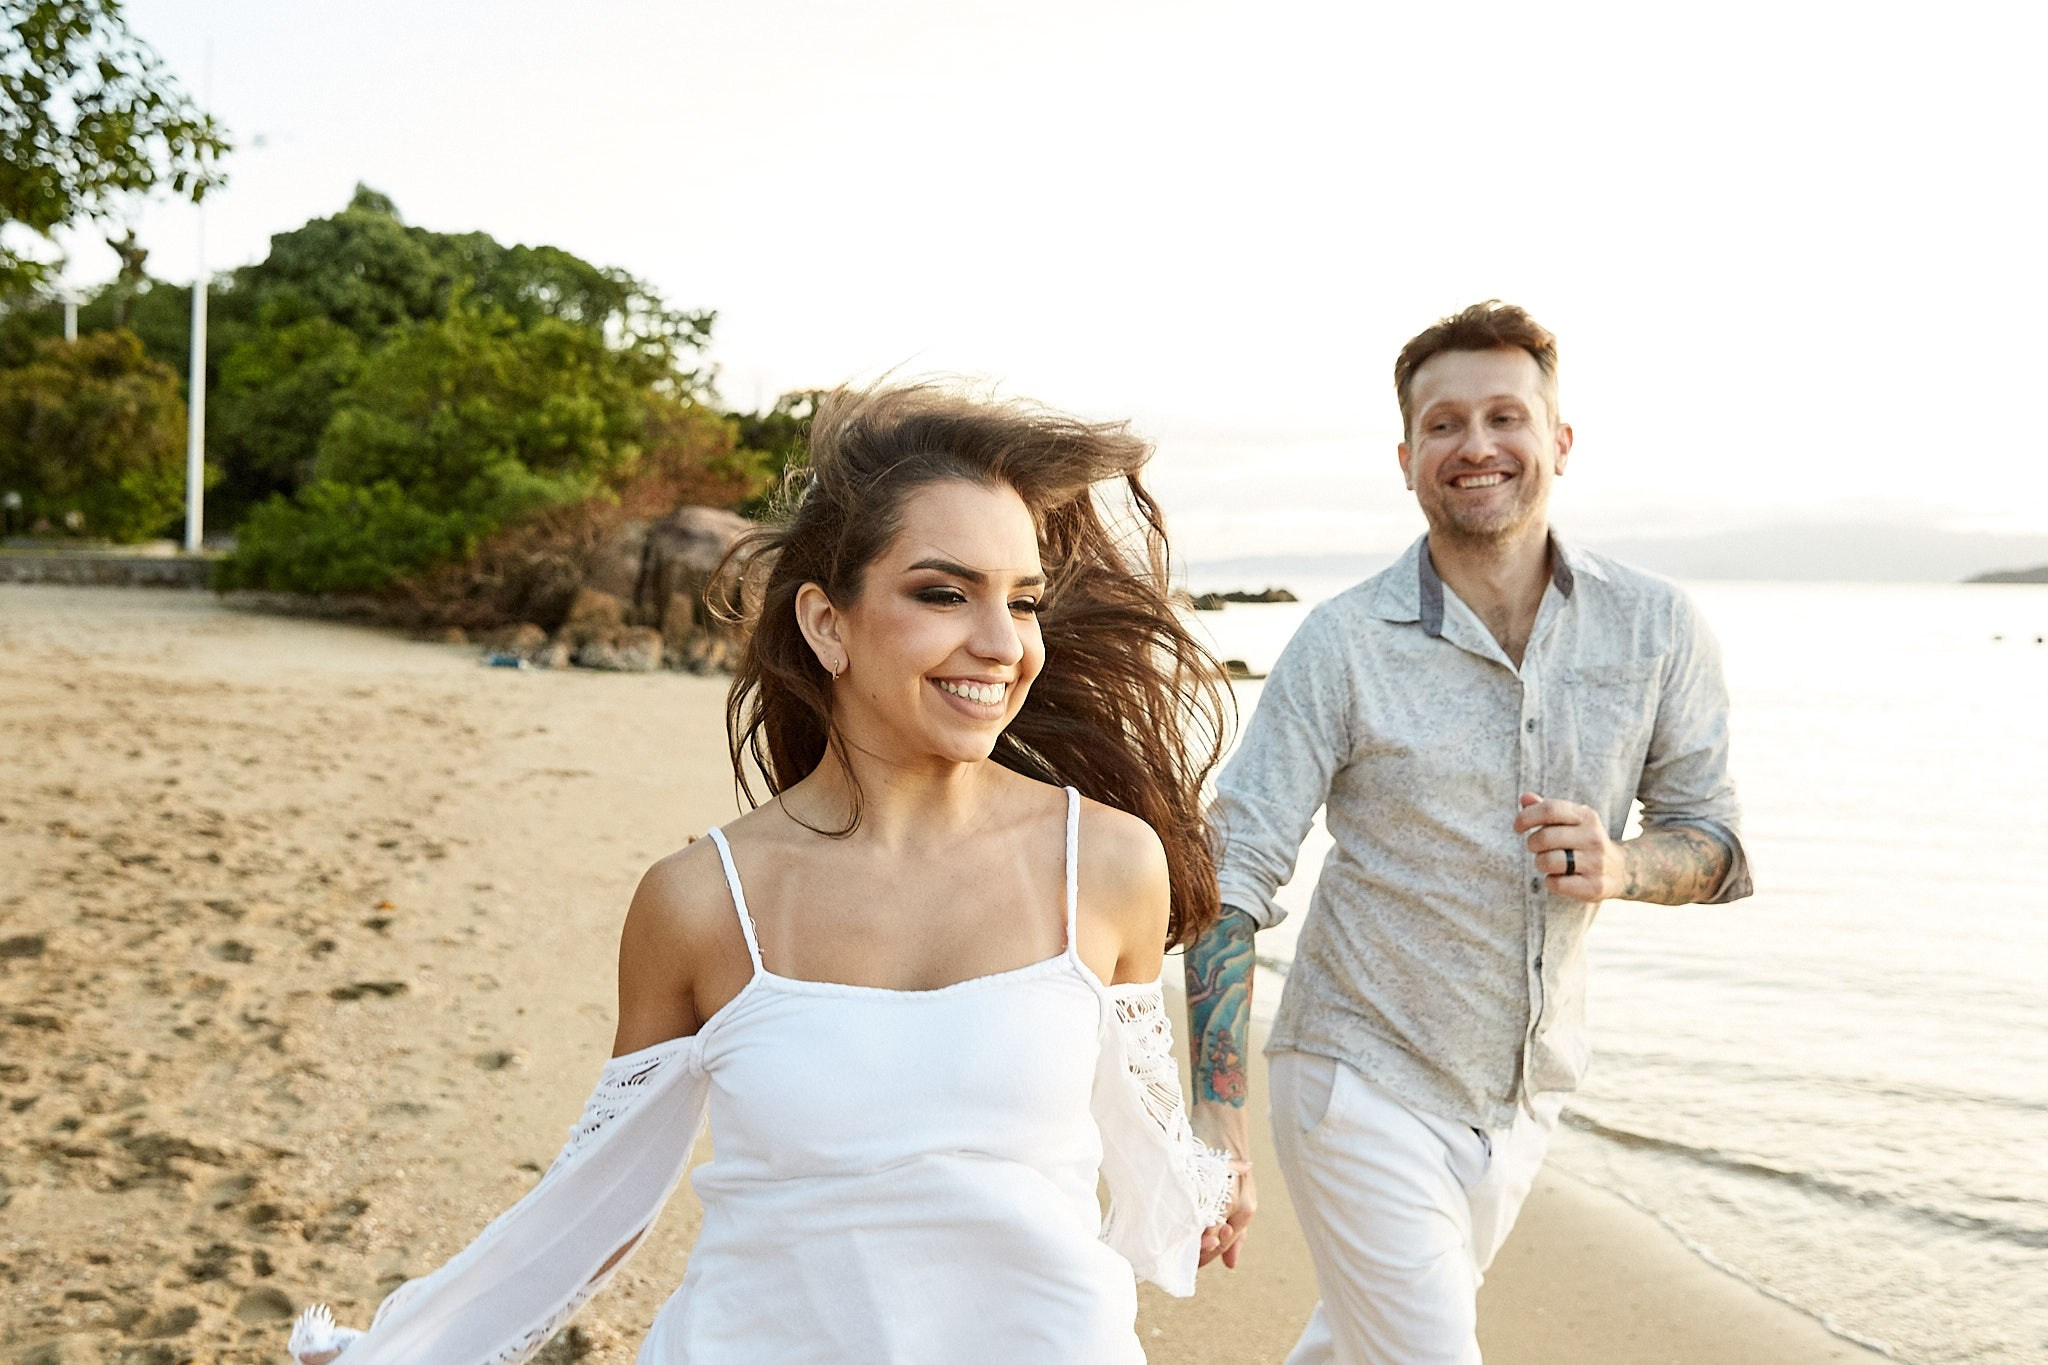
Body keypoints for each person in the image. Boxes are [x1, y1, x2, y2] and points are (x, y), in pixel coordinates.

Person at [288, 384, 1237, 1363]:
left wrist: (1220, 1156)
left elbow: (1144, 1127)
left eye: (1023, 600)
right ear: (827, 624)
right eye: (944, 594)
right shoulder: (700, 902)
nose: (1001, 644)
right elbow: (598, 1193)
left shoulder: (1109, 861)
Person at [1185, 301, 1753, 1363]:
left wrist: (1624, 864)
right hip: (1358, 1076)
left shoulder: (1656, 627)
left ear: (1558, 442)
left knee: (1358, 1346)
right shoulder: (1341, 644)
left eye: (1505, 415)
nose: (1476, 445)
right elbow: (1234, 866)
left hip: (1526, 1093)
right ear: (1406, 458)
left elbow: (1713, 842)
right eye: (1444, 424)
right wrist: (1217, 1112)